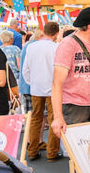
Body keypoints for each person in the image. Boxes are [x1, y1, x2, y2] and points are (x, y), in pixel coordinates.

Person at [51, 7, 90, 136]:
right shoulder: (68, 44)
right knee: (79, 148)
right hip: (73, 106)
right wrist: (58, 117)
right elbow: (57, 83)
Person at [23, 21, 61, 161]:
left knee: (36, 118)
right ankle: (52, 152)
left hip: (36, 87)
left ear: (43, 31)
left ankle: (32, 150)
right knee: (53, 118)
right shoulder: (57, 47)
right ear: (57, 33)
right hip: (53, 87)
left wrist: (31, 82)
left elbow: (25, 69)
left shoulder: (31, 47)